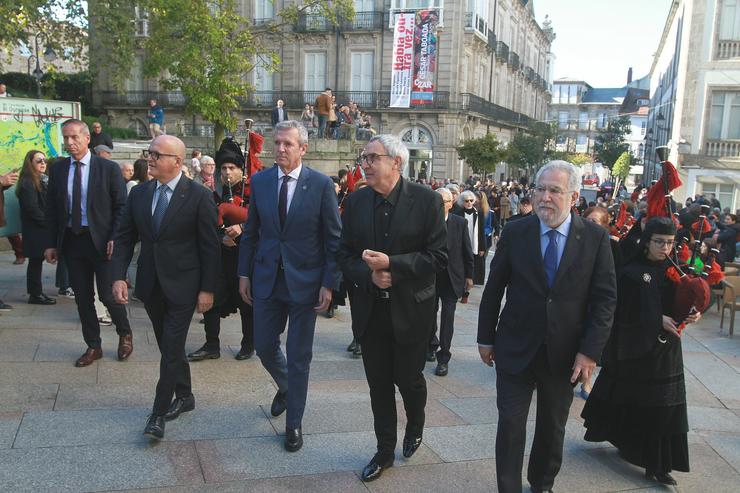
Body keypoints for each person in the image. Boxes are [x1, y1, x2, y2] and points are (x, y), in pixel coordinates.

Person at [477, 160, 617, 493]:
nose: (545, 198)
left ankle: (541, 484)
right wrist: (485, 337)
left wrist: (589, 352)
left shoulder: (595, 238)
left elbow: (605, 300)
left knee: (552, 428)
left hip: (565, 353)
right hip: (515, 346)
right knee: (510, 424)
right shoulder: (515, 231)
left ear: (574, 196)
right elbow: (494, 287)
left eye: (555, 190)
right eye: (540, 189)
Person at [337, 134, 447, 482]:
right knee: (379, 384)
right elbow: (343, 255)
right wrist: (369, 277)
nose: (364, 164)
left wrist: (392, 265)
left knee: (409, 380)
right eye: (363, 157)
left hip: (412, 311)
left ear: (396, 162)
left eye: (372, 158)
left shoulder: (427, 201)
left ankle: (416, 422)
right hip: (371, 312)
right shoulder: (356, 202)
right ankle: (384, 451)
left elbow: (438, 257)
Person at [237, 120, 341, 452]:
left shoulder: (322, 185)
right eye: (277, 143)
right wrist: (244, 274)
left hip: (306, 283)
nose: (279, 149)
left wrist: (329, 283)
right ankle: (286, 387)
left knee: (299, 356)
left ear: (303, 148)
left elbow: (333, 240)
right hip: (266, 279)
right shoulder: (261, 181)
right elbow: (251, 232)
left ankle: (293, 423)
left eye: (287, 144)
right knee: (265, 346)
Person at [111, 134, 220, 440]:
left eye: (157, 154)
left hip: (185, 286)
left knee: (171, 348)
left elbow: (210, 247)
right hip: (151, 284)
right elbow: (124, 237)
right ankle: (185, 396)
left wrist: (207, 289)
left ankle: (157, 413)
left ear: (177, 161)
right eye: (150, 153)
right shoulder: (141, 194)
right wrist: (118, 275)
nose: (150, 158)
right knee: (167, 346)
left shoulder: (198, 196)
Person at [581, 217, 700, 486]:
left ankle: (658, 464)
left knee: (663, 407)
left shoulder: (675, 272)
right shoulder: (630, 272)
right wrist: (656, 319)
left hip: (667, 351)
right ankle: (631, 446)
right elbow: (619, 308)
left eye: (670, 243)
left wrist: (692, 312)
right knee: (637, 401)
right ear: (647, 242)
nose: (665, 248)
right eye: (659, 242)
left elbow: (680, 303)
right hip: (637, 347)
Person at [44, 119, 133, 367]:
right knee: (83, 298)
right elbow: (51, 209)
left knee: (107, 294)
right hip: (73, 241)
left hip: (103, 242)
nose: (69, 143)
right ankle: (93, 345)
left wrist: (115, 237)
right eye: (65, 138)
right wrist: (51, 243)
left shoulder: (107, 169)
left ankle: (124, 332)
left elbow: (121, 208)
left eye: (74, 137)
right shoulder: (60, 169)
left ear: (86, 138)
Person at [188, 139, 255, 362]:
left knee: (246, 301)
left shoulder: (252, 192)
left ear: (240, 170)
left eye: (232, 168)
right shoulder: (212, 192)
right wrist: (221, 237)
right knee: (211, 298)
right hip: (219, 254)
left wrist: (242, 227)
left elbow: (264, 222)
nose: (227, 173)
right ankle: (211, 344)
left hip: (245, 256)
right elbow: (204, 225)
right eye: (224, 168)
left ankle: (248, 343)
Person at [428, 187, 473, 376]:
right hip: (430, 277)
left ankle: (443, 357)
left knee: (448, 318)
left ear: (451, 203)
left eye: (443, 202)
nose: (439, 205)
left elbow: (466, 251)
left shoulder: (459, 223)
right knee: (428, 315)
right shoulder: (426, 223)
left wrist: (469, 277)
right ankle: (431, 344)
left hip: (452, 278)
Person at [16, 150, 55, 305]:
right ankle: (35, 294)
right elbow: (32, 208)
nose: (43, 163)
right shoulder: (28, 182)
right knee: (35, 261)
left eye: (44, 160)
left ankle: (37, 292)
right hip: (35, 229)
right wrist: (48, 223)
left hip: (40, 227)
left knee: (37, 261)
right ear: (30, 163)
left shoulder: (41, 179)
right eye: (39, 161)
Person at [453, 190, 487, 286]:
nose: (469, 203)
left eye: (471, 200)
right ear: (462, 201)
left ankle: (469, 284)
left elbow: (481, 230)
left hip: (474, 242)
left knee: (473, 263)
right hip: (461, 242)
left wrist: (482, 247)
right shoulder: (457, 213)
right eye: (466, 201)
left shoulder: (479, 213)